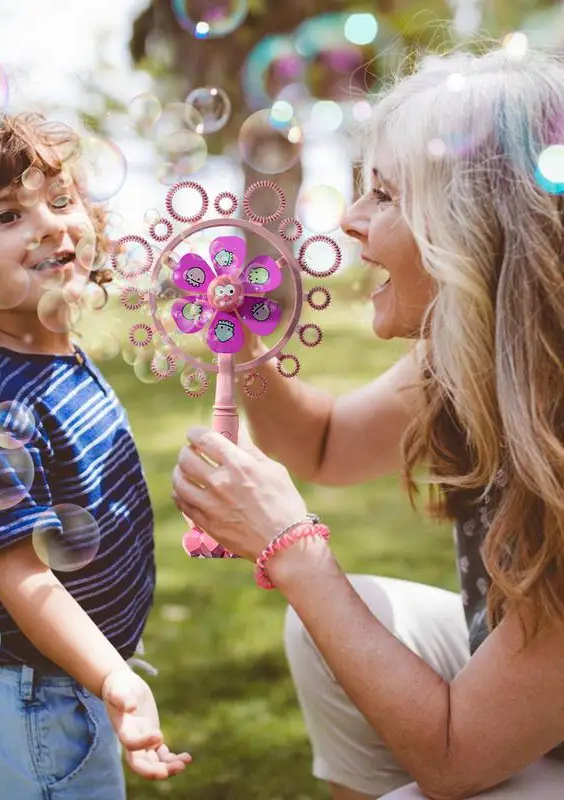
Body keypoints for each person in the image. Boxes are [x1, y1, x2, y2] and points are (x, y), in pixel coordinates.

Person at [172, 41, 564, 800]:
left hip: (493, 739)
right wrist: (245, 348)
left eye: (384, 196)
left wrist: (292, 549)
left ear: (474, 232)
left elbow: (455, 758)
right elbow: (324, 445)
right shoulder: (477, 352)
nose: (350, 220)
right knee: (342, 631)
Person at [0, 110, 191, 799]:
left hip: (65, 678)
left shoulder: (58, 358)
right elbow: (23, 574)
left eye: (59, 199)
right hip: (33, 697)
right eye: (4, 217)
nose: (49, 224)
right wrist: (113, 679)